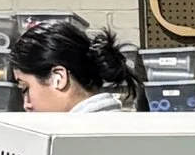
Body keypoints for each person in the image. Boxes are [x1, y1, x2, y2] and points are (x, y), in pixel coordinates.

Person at [9, 19, 141, 113]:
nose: (26, 105)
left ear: (58, 77)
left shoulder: (72, 142)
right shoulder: (119, 124)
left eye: (25, 88)